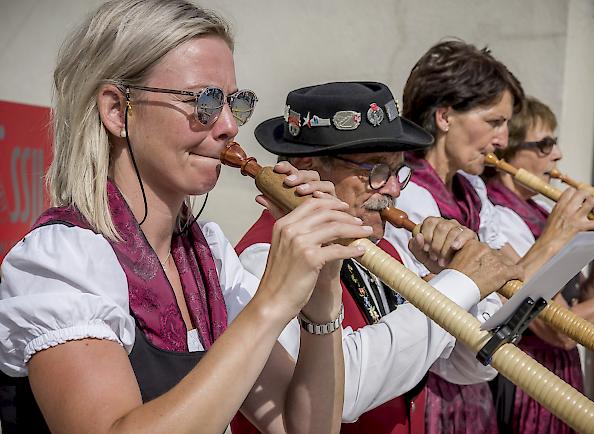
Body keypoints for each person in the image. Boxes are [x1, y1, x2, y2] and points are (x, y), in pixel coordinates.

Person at [0, 1, 374, 433]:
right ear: (117, 111)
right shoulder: (62, 260)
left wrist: (323, 291)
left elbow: (302, 428)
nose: (229, 126)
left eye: (235, 102)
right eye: (205, 100)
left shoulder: (206, 258)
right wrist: (271, 303)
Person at [230, 81, 524, 434]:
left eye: (398, 171)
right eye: (376, 170)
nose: (395, 189)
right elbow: (345, 391)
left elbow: (468, 369)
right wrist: (457, 286)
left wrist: (465, 290)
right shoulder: (260, 260)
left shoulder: (382, 249)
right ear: (307, 165)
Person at [385, 40, 594, 434]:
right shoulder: (408, 193)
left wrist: (591, 236)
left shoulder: (473, 191)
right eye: (495, 122)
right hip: (430, 393)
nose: (502, 140)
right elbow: (481, 309)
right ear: (444, 116)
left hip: (476, 388)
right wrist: (553, 238)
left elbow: (509, 286)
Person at [484, 96, 594, 434]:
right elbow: (561, 330)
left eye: (555, 142)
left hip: (560, 374)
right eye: (544, 145)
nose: (557, 154)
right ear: (507, 153)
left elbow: (589, 304)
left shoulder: (544, 213)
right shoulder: (498, 218)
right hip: (529, 386)